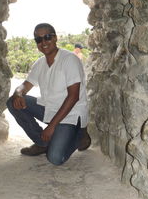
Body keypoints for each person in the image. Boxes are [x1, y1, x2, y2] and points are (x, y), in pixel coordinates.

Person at [6, 23, 91, 166]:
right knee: (12, 102)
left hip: (70, 115)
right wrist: (18, 93)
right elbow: (25, 85)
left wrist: (51, 127)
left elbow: (73, 97)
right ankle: (42, 142)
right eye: (38, 39)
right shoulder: (40, 64)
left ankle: (80, 136)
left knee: (55, 158)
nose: (43, 42)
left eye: (47, 37)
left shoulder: (69, 60)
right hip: (50, 109)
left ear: (55, 38)